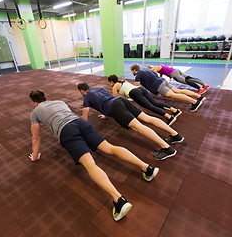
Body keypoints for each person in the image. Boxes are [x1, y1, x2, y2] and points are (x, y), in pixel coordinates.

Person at [28, 89, 160, 221]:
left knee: (90, 164)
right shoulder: (60, 102)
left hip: (66, 131)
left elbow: (36, 137)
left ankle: (119, 200)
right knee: (110, 148)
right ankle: (147, 167)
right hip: (81, 123)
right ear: (45, 97)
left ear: (35, 102)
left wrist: (35, 156)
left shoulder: (35, 112)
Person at [77, 82, 184, 161]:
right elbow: (108, 99)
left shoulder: (87, 97)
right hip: (121, 101)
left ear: (82, 91)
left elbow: (85, 117)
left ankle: (167, 148)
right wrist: (105, 114)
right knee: (147, 118)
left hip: (115, 107)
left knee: (138, 127)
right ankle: (175, 135)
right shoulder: (98, 88)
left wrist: (80, 128)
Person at [108, 74, 182, 126]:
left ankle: (169, 117)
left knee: (150, 107)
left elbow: (115, 98)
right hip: (140, 89)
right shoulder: (123, 81)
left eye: (109, 83)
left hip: (135, 93)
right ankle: (175, 111)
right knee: (155, 103)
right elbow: (126, 92)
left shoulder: (114, 86)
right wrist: (130, 99)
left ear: (111, 82)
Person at [130, 64, 206, 112]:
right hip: (163, 81)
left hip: (159, 85)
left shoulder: (138, 75)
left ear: (134, 70)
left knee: (173, 95)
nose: (132, 72)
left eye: (131, 71)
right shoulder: (146, 69)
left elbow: (136, 86)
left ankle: (195, 102)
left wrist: (132, 96)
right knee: (178, 91)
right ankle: (198, 96)